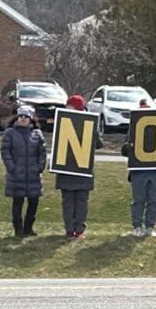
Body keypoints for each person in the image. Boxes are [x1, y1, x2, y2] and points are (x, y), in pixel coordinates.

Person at [124, 98, 156, 237]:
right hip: (138, 171)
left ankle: (150, 226)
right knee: (138, 200)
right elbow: (124, 150)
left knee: (153, 200)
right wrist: (128, 147)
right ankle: (137, 226)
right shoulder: (133, 129)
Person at [57, 94, 101, 240]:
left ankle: (79, 229)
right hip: (66, 169)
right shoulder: (63, 121)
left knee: (81, 202)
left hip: (83, 170)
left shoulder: (90, 123)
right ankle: (69, 229)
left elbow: (98, 144)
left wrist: (94, 131)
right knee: (68, 202)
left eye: (70, 108)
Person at [1, 105, 46, 238]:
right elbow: (5, 152)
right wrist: (12, 168)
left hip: (33, 175)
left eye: (26, 116)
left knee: (33, 202)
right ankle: (18, 229)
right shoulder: (10, 133)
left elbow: (42, 152)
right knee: (18, 202)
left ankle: (28, 228)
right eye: (20, 116)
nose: (23, 118)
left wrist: (39, 167)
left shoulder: (37, 134)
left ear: (31, 119)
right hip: (17, 175)